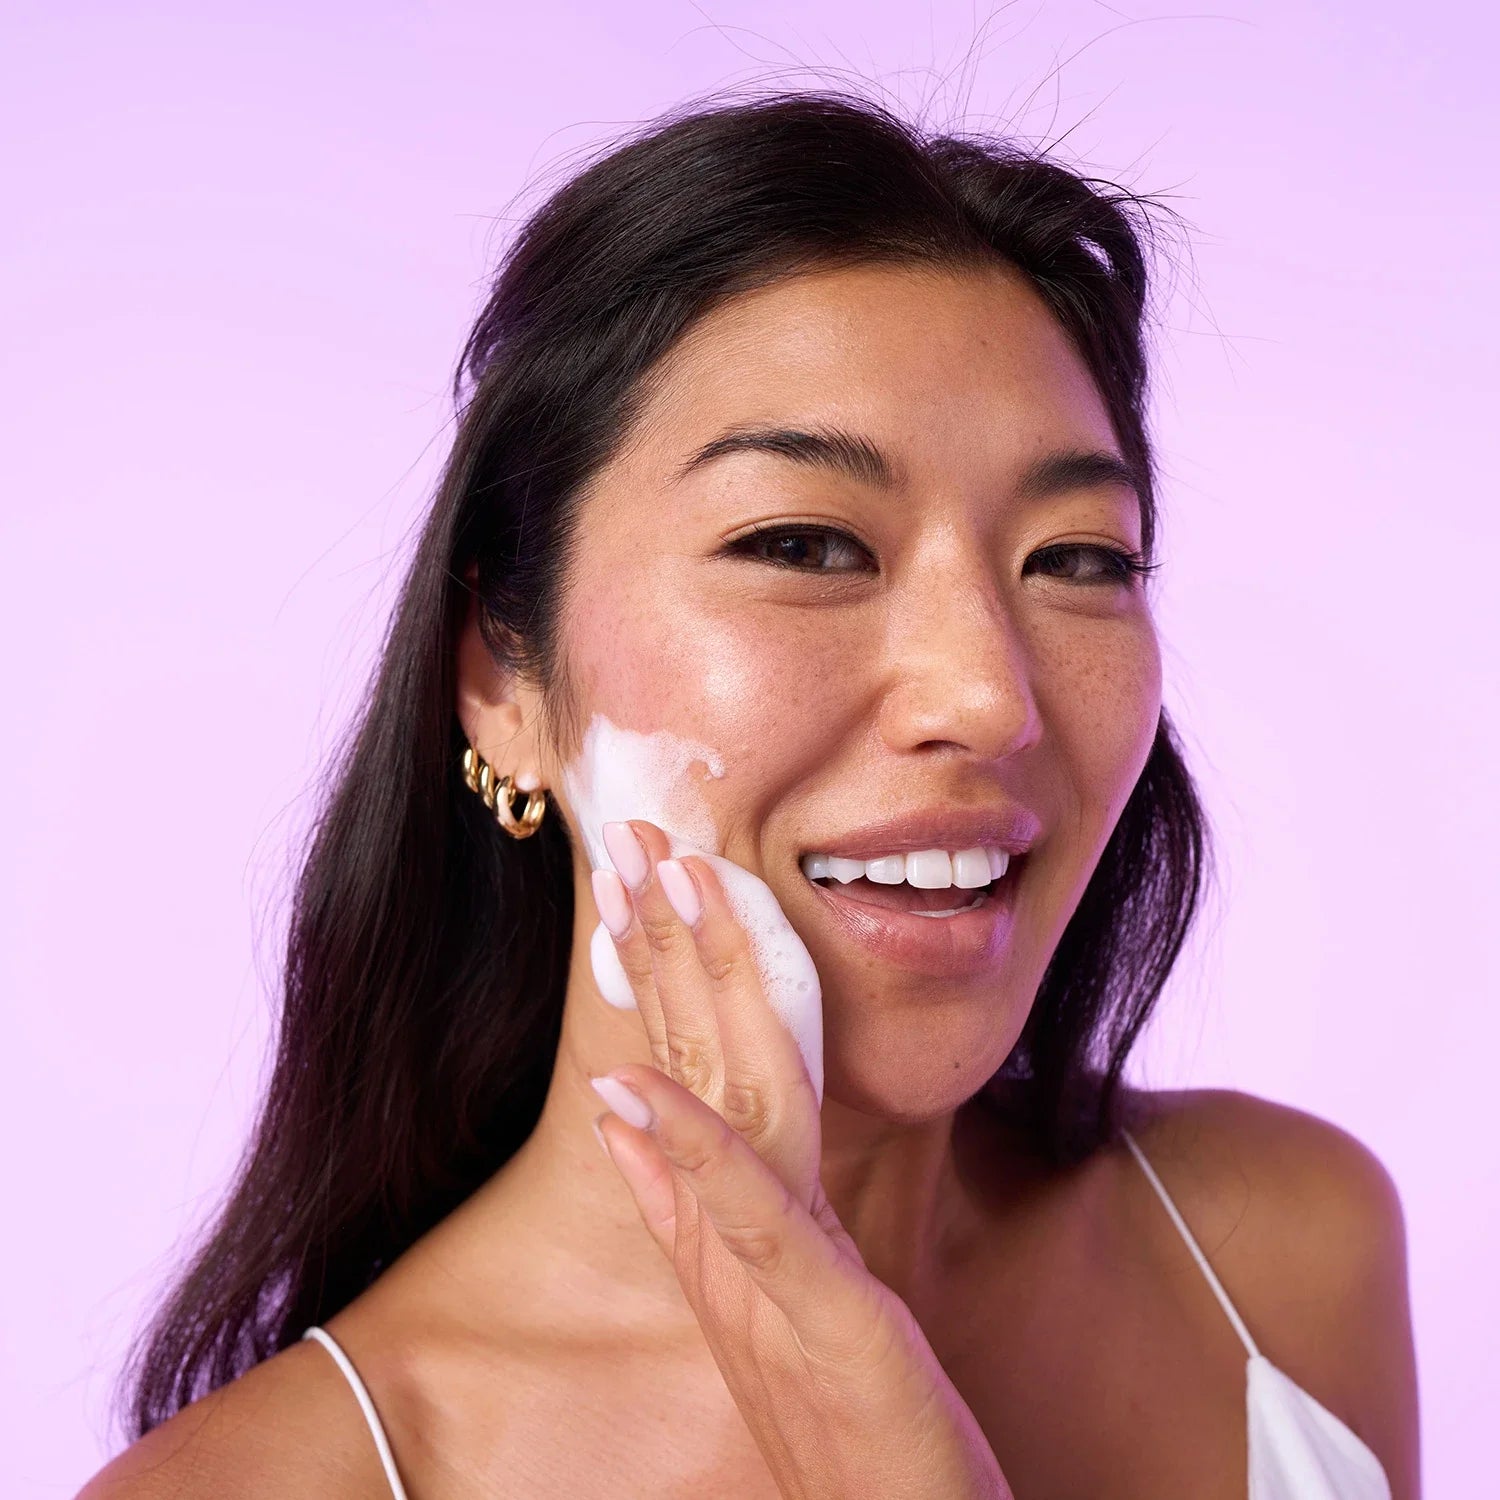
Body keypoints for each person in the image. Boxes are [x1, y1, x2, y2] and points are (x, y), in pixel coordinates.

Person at [79, 89, 1419, 1499]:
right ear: (501, 677)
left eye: (1079, 559)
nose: (988, 698)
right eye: (805, 542)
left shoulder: (1282, 1253)